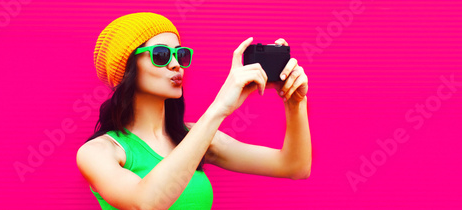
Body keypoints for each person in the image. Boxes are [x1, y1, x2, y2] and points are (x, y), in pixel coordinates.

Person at [76, 12, 311, 210]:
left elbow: (294, 166)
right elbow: (146, 203)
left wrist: (295, 102)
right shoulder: (98, 152)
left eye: (180, 54)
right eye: (161, 55)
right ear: (126, 69)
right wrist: (219, 107)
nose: (176, 63)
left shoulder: (194, 138)